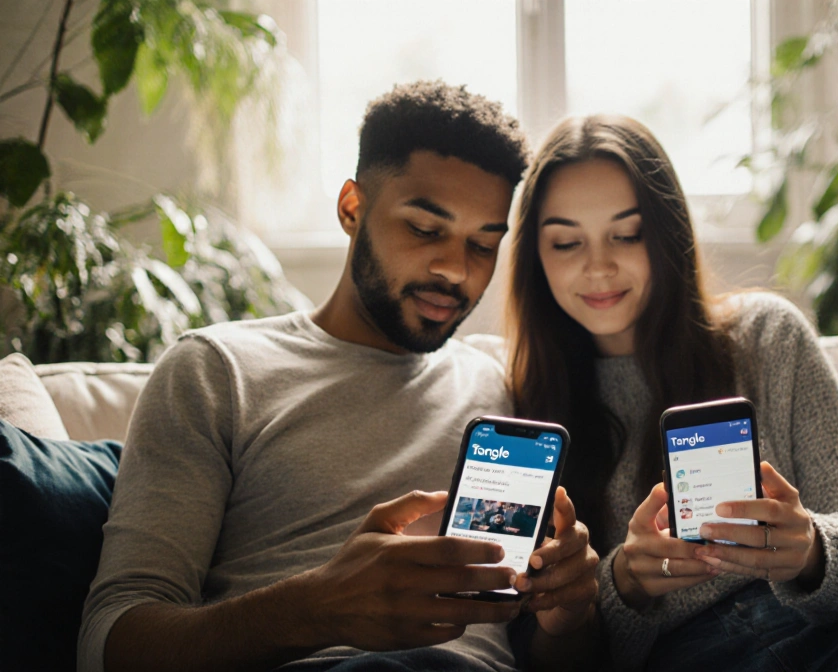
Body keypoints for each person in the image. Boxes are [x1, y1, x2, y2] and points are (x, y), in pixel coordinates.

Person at [79, 81, 600, 672]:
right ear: (352, 208)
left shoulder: (503, 388)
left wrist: (569, 616)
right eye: (426, 230)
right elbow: (108, 643)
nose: (455, 270)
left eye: (483, 245)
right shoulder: (216, 370)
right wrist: (319, 608)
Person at [505, 115, 838, 671]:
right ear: (535, 256)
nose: (598, 266)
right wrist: (625, 582)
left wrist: (810, 548)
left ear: (667, 235)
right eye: (567, 242)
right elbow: (541, 651)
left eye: (627, 234)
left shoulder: (766, 335)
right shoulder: (525, 410)